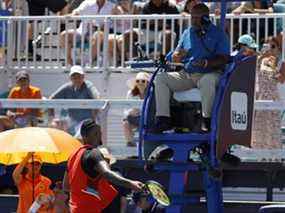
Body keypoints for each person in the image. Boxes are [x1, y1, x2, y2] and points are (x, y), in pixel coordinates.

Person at [152, 3, 230, 133]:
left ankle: (207, 120)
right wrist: (175, 57)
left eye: (196, 18)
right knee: (161, 79)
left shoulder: (218, 34)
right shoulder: (187, 32)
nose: (193, 20)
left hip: (210, 73)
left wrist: (206, 63)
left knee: (207, 81)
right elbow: (175, 54)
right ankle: (163, 119)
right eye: (192, 17)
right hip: (187, 74)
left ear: (206, 18)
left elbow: (224, 58)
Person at [62, 119, 144, 213]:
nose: (99, 136)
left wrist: (88, 187)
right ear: (85, 136)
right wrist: (131, 183)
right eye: (96, 133)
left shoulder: (72, 156)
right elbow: (106, 173)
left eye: (99, 133)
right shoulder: (94, 153)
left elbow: (66, 186)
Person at [60, 0, 116, 65]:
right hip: (82, 31)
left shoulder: (112, 6)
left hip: (100, 32)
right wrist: (71, 15)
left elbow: (110, 23)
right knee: (64, 35)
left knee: (98, 34)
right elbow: (76, 12)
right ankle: (69, 62)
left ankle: (86, 63)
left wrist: (97, 27)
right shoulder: (87, 3)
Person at [49, 65, 100, 135]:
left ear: (83, 77)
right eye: (74, 77)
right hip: (69, 123)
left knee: (79, 138)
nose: (77, 79)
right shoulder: (67, 87)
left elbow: (97, 98)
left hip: (85, 124)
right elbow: (50, 99)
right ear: (70, 78)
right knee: (54, 126)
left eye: (79, 77)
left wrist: (93, 118)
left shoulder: (88, 85)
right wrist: (52, 118)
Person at [123, 72, 150, 147]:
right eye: (138, 81)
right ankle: (131, 146)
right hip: (134, 119)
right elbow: (125, 111)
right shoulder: (130, 93)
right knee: (125, 123)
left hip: (147, 119)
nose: (140, 83)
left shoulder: (152, 94)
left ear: (147, 83)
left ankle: (144, 147)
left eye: (143, 81)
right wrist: (131, 112)